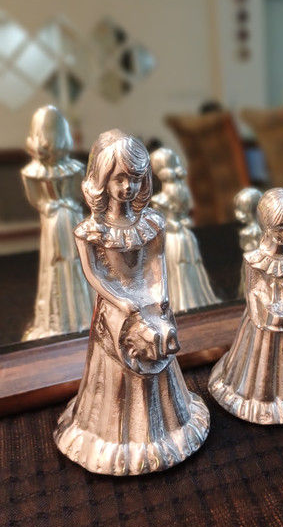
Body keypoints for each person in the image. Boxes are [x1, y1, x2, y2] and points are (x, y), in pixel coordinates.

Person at [54, 130, 209, 475]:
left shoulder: (151, 222)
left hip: (146, 297)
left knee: (160, 339)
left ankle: (162, 427)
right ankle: (116, 436)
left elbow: (156, 265)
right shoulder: (91, 231)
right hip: (116, 304)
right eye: (120, 179)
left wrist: (160, 298)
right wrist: (123, 302)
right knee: (126, 351)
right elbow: (95, 275)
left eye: (136, 179)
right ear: (102, 180)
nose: (128, 187)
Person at [208, 188, 283, 424]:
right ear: (265, 225)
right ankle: (256, 395)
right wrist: (263, 317)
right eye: (279, 229)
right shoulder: (256, 259)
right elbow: (252, 292)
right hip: (262, 318)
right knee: (260, 358)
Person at [21, 105, 94, 341]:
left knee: (59, 265)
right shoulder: (74, 169)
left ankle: (64, 318)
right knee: (75, 264)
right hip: (69, 218)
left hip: (53, 222)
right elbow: (79, 196)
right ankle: (82, 314)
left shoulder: (32, 173)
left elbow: (36, 201)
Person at [150, 147, 220, 312]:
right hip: (185, 237)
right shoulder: (181, 193)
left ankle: (184, 302)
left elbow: (162, 223)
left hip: (175, 240)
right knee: (184, 267)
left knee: (181, 267)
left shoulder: (159, 200)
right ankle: (188, 300)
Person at [234, 187, 262, 297]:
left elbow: (246, 246)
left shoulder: (250, 232)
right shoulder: (259, 230)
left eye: (241, 210)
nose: (237, 214)